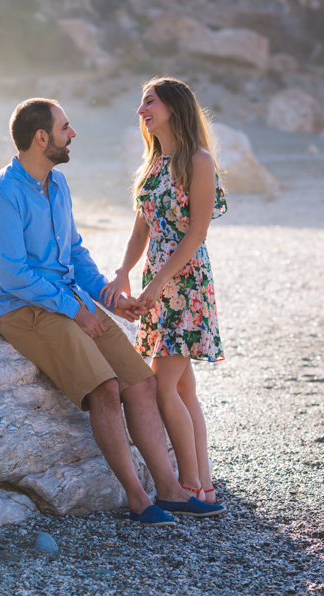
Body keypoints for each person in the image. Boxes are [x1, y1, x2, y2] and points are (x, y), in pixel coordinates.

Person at [0, 98, 225, 526]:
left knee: (142, 382)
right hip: (23, 309)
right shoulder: (0, 194)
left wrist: (109, 298)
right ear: (41, 137)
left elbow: (73, 253)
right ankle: (138, 498)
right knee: (106, 389)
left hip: (69, 299)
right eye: (65, 127)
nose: (73, 134)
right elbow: (13, 276)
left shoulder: (58, 185)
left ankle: (171, 490)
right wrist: (76, 310)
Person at [100, 77, 227, 505]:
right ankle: (203, 486)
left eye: (149, 102)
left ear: (174, 106)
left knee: (162, 383)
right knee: (182, 386)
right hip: (160, 279)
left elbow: (196, 233)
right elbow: (142, 230)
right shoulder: (153, 164)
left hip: (186, 282)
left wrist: (156, 285)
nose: (141, 110)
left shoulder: (198, 159)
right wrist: (123, 274)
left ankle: (190, 485)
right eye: (141, 103)